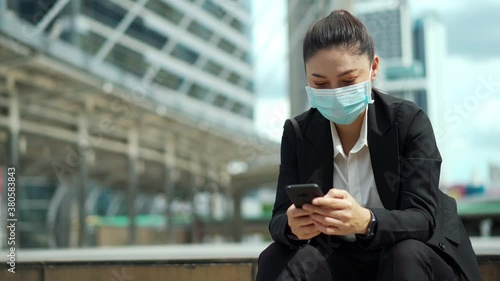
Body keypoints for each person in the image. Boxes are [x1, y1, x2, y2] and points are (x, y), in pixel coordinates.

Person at [256, 10, 481, 281]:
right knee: (276, 258)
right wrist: (293, 226)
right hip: (338, 258)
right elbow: (279, 219)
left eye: (348, 81)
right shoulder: (298, 133)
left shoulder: (409, 122)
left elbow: (423, 219)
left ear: (374, 67)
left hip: (412, 257)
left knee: (404, 255)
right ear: (307, 78)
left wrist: (366, 220)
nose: (335, 93)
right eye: (320, 83)